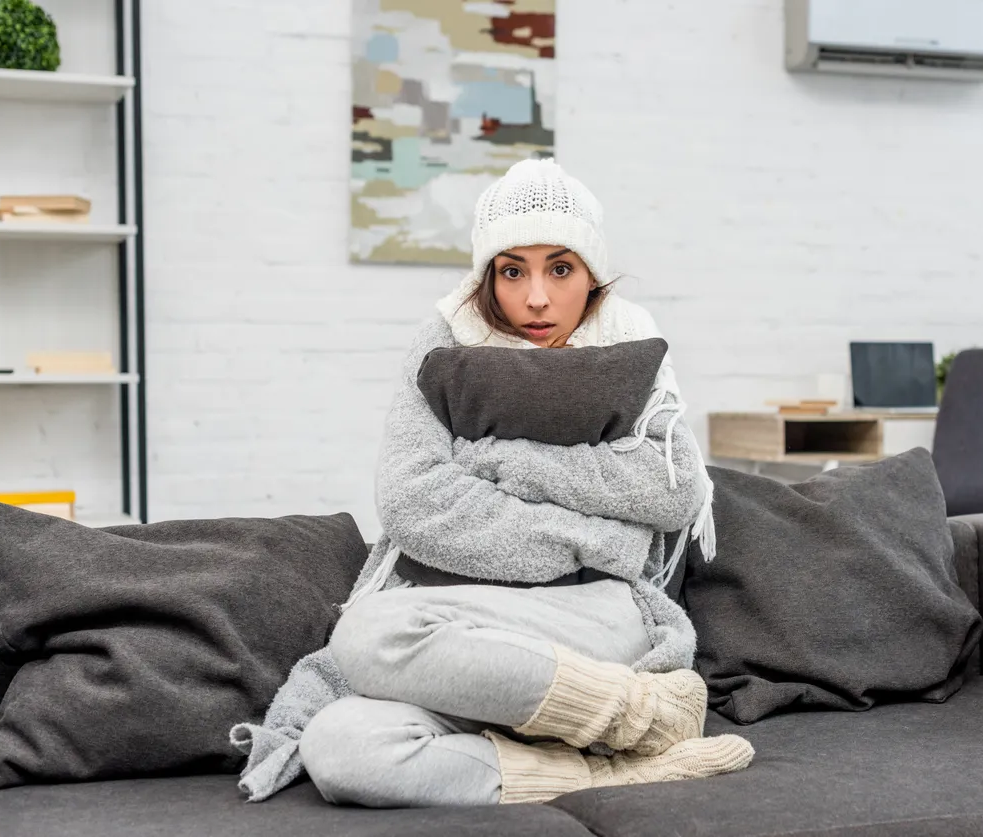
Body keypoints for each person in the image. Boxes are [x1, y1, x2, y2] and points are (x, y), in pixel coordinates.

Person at [232, 159, 753, 807]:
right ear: (487, 275)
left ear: (591, 272)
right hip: (462, 631)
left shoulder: (630, 342)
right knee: (339, 746)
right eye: (513, 271)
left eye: (560, 268)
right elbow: (413, 501)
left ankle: (626, 710)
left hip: (591, 617)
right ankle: (620, 753)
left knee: (369, 634)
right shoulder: (444, 345)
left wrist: (500, 457)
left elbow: (673, 489)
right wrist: (591, 531)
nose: (537, 297)